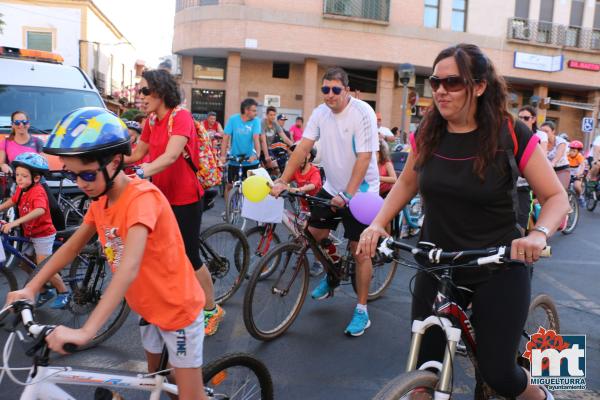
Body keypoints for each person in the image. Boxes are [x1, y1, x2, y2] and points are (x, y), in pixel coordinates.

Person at [356, 44, 568, 399]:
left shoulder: (509, 131)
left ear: (480, 86)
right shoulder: (428, 131)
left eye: (452, 82)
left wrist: (538, 233)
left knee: (500, 375)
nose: (440, 90)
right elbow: (408, 181)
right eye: (435, 81)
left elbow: (555, 196)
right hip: (437, 264)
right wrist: (378, 223)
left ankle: (543, 395)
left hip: (497, 264)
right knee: (424, 375)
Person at [6, 108, 207, 400]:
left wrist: (85, 331)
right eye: (72, 175)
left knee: (188, 395)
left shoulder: (142, 199)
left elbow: (129, 267)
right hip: (149, 309)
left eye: (87, 174)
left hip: (178, 313)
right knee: (157, 383)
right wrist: (31, 288)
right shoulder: (100, 201)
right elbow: (71, 247)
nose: (80, 184)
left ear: (114, 163)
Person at [271, 66, 380, 337]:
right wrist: (283, 180)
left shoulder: (362, 112)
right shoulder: (320, 113)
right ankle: (332, 275)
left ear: (347, 90)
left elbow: (364, 158)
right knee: (312, 233)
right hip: (332, 185)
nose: (329, 95)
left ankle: (362, 310)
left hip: (362, 191)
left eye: (335, 90)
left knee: (360, 250)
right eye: (325, 90)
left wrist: (348, 195)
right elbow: (302, 148)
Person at [125, 69, 224, 336]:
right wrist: (109, 162)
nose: (141, 96)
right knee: (158, 250)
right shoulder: (150, 121)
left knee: (190, 256)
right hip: (160, 195)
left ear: (160, 91)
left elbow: (170, 156)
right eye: (139, 91)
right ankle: (167, 302)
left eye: (145, 91)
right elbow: (138, 154)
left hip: (184, 197)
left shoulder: (180, 117)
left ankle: (212, 308)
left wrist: (142, 172)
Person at [0, 152, 69, 309]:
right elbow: (13, 201)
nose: (19, 179)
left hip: (43, 234)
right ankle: (45, 290)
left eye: (24, 176)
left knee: (44, 266)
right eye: (17, 175)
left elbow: (39, 210)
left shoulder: (37, 191)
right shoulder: (21, 188)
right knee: (24, 263)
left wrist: (14, 223)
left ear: (36, 178)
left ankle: (64, 292)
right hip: (31, 233)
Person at [220, 98, 262, 200]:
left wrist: (256, 155)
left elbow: (256, 139)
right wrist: (223, 155)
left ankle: (248, 211)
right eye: (254, 110)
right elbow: (226, 137)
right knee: (230, 185)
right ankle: (227, 211)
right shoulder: (233, 119)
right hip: (235, 159)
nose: (256, 113)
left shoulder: (256, 121)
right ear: (246, 110)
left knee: (251, 189)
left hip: (250, 160)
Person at [516, 105, 548, 229]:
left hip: (530, 178)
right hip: (512, 181)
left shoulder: (540, 135)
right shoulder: (514, 133)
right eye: (520, 118)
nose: (522, 121)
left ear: (533, 119)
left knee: (522, 220)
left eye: (526, 118)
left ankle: (541, 229)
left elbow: (543, 157)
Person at [260, 106, 292, 173]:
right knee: (261, 171)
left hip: (268, 149)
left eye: (274, 115)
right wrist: (266, 156)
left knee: (276, 169)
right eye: (271, 115)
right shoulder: (262, 123)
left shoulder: (275, 124)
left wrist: (295, 146)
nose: (273, 117)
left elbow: (285, 138)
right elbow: (263, 141)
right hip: (259, 150)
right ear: (266, 115)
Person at [540, 121, 570, 190]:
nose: (544, 133)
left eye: (546, 131)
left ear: (553, 131)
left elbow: (558, 156)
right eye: (542, 131)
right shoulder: (541, 142)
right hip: (548, 170)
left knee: (561, 190)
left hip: (562, 169)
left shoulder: (561, 141)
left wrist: (553, 163)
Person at [567, 140, 586, 204]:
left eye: (574, 151)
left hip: (577, 173)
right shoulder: (567, 155)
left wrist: (579, 173)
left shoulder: (579, 156)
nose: (571, 152)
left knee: (576, 186)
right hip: (568, 174)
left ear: (578, 151)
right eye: (570, 150)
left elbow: (582, 165)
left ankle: (580, 196)